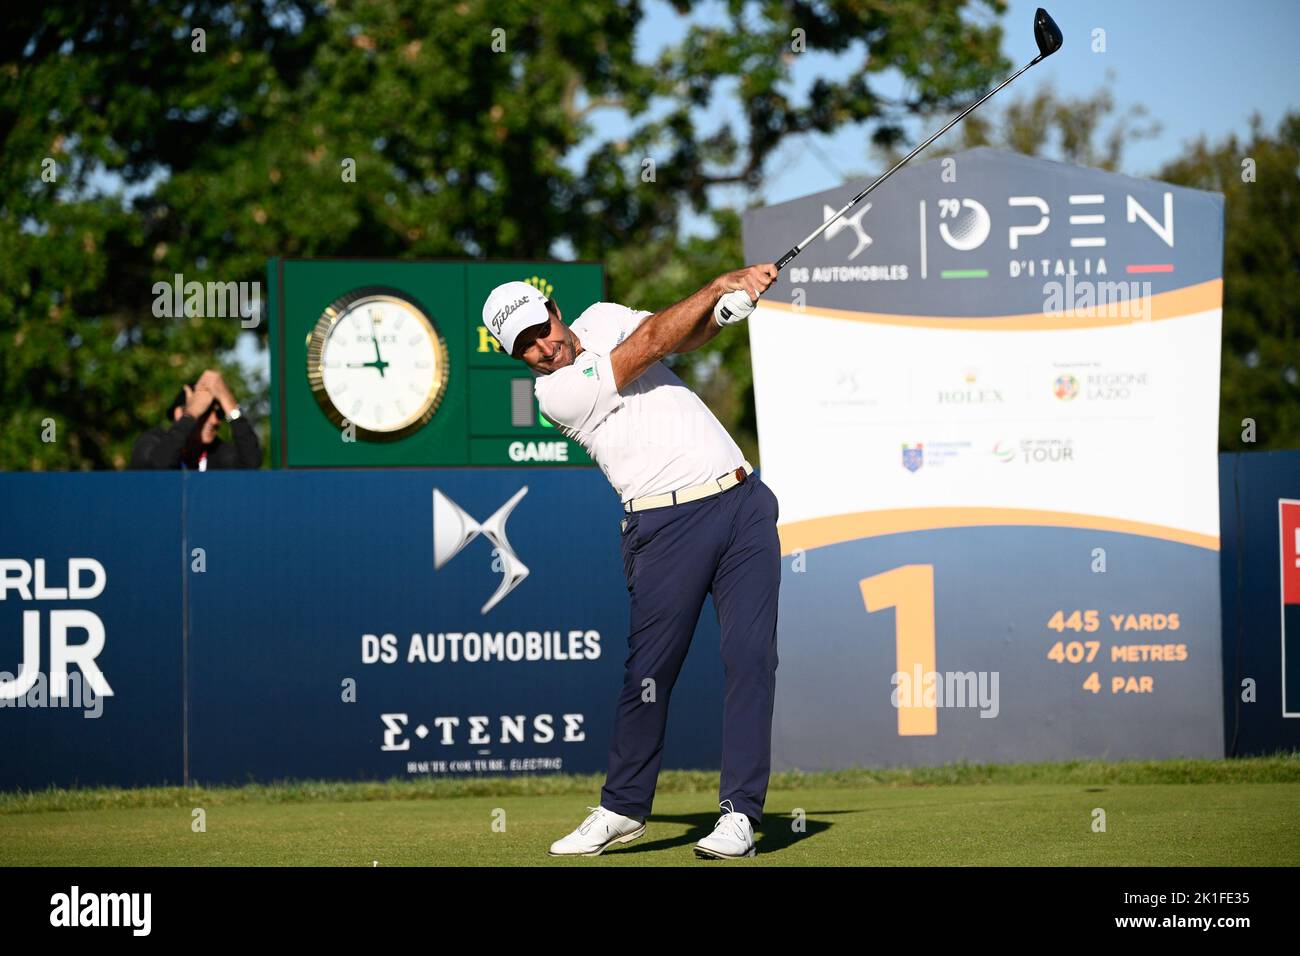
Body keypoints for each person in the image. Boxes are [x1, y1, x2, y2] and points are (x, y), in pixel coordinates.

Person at [480, 265, 782, 860]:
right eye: (525, 347)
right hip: (665, 526)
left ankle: (740, 814)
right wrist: (719, 285)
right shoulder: (554, 395)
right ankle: (622, 808)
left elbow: (681, 337)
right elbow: (648, 346)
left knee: (751, 660)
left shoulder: (602, 318)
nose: (543, 348)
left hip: (743, 503)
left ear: (554, 310)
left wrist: (720, 316)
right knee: (649, 675)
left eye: (540, 329)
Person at [129, 369, 261, 470]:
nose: (215, 421)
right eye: (205, 412)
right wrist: (191, 414)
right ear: (179, 413)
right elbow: (158, 466)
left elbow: (251, 463)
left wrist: (230, 405)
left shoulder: (216, 452)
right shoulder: (151, 441)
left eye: (219, 413)